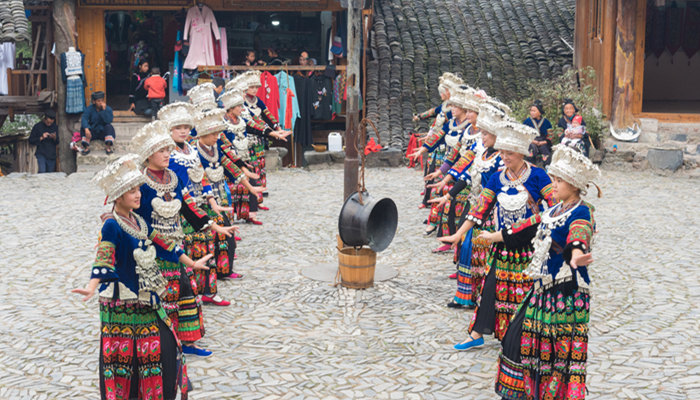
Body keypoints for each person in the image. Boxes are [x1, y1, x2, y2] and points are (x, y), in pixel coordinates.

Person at [72, 153, 211, 399]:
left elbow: (165, 243)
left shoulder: (138, 221)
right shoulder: (112, 225)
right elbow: (104, 256)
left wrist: (193, 263)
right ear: (117, 197)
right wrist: (92, 286)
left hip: (145, 300)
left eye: (138, 189)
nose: (138, 195)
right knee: (132, 363)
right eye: (131, 191)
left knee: (163, 351)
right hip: (123, 305)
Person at [481, 145, 600, 400]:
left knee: (553, 352)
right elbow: (524, 227)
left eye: (558, 181)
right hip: (541, 291)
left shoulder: (582, 210)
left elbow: (579, 234)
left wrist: (577, 253)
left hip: (564, 296)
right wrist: (493, 236)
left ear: (573, 184)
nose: (553, 185)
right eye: (553, 179)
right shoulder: (552, 210)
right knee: (517, 341)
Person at [440, 120, 557, 349]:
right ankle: (476, 334)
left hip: (528, 247)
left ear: (521, 153)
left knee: (525, 293)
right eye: (502, 152)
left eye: (510, 153)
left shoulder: (538, 176)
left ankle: (522, 336)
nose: (504, 157)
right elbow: (479, 209)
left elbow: (553, 208)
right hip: (501, 247)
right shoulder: (497, 178)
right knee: (489, 288)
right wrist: (458, 235)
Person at [130, 120, 219, 356]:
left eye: (169, 149)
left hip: (177, 243)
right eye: (162, 151)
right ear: (149, 154)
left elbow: (187, 207)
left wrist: (210, 225)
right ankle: (167, 346)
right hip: (154, 250)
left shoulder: (174, 176)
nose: (168, 154)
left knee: (187, 293)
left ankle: (187, 343)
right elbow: (141, 223)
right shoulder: (140, 183)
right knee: (165, 299)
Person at [410, 72, 462, 225]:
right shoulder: (445, 109)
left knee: (441, 180)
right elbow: (434, 117)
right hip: (443, 149)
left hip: (450, 152)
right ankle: (433, 212)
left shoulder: (454, 117)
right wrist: (425, 143)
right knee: (433, 175)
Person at [81, 91, 115, 155]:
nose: (101, 103)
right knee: (83, 128)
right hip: (93, 132)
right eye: (98, 101)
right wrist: (86, 128)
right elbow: (84, 118)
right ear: (94, 102)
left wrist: (104, 111)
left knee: (109, 127)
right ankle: (86, 148)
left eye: (102, 101)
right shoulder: (90, 109)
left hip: (103, 132)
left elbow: (108, 120)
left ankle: (108, 147)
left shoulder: (108, 109)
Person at [524, 99, 553, 166]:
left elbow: (550, 136)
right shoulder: (527, 121)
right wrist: (533, 141)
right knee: (531, 149)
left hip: (543, 141)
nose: (532, 112)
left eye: (534, 111)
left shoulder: (546, 122)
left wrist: (544, 142)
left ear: (540, 112)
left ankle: (547, 167)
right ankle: (530, 166)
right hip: (531, 141)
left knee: (544, 149)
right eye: (531, 111)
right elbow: (524, 134)